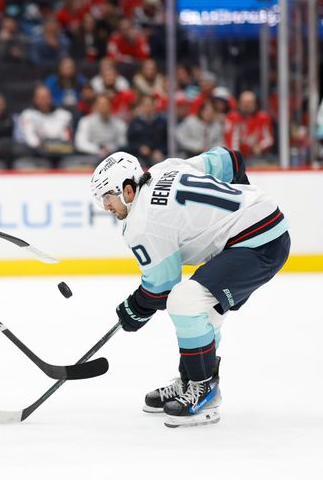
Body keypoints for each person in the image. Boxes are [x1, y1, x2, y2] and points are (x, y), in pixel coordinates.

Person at [90, 148, 290, 428]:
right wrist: (242, 206)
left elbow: (161, 291)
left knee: (185, 300)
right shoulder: (164, 168)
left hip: (258, 245)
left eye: (107, 199)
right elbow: (230, 160)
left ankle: (204, 388)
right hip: (265, 227)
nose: (105, 207)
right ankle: (191, 380)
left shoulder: (142, 224)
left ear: (128, 190)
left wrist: (133, 310)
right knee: (202, 306)